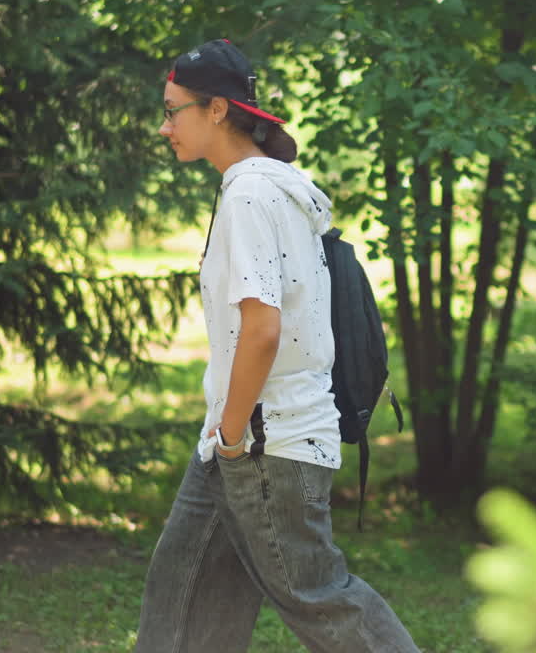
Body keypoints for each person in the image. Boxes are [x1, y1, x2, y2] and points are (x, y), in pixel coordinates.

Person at [134, 39, 420, 653]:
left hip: (265, 445)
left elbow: (262, 331)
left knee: (321, 601)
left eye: (172, 110)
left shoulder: (248, 196)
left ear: (215, 110)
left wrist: (234, 440)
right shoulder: (275, 188)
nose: (164, 127)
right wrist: (225, 440)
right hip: (240, 441)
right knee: (181, 601)